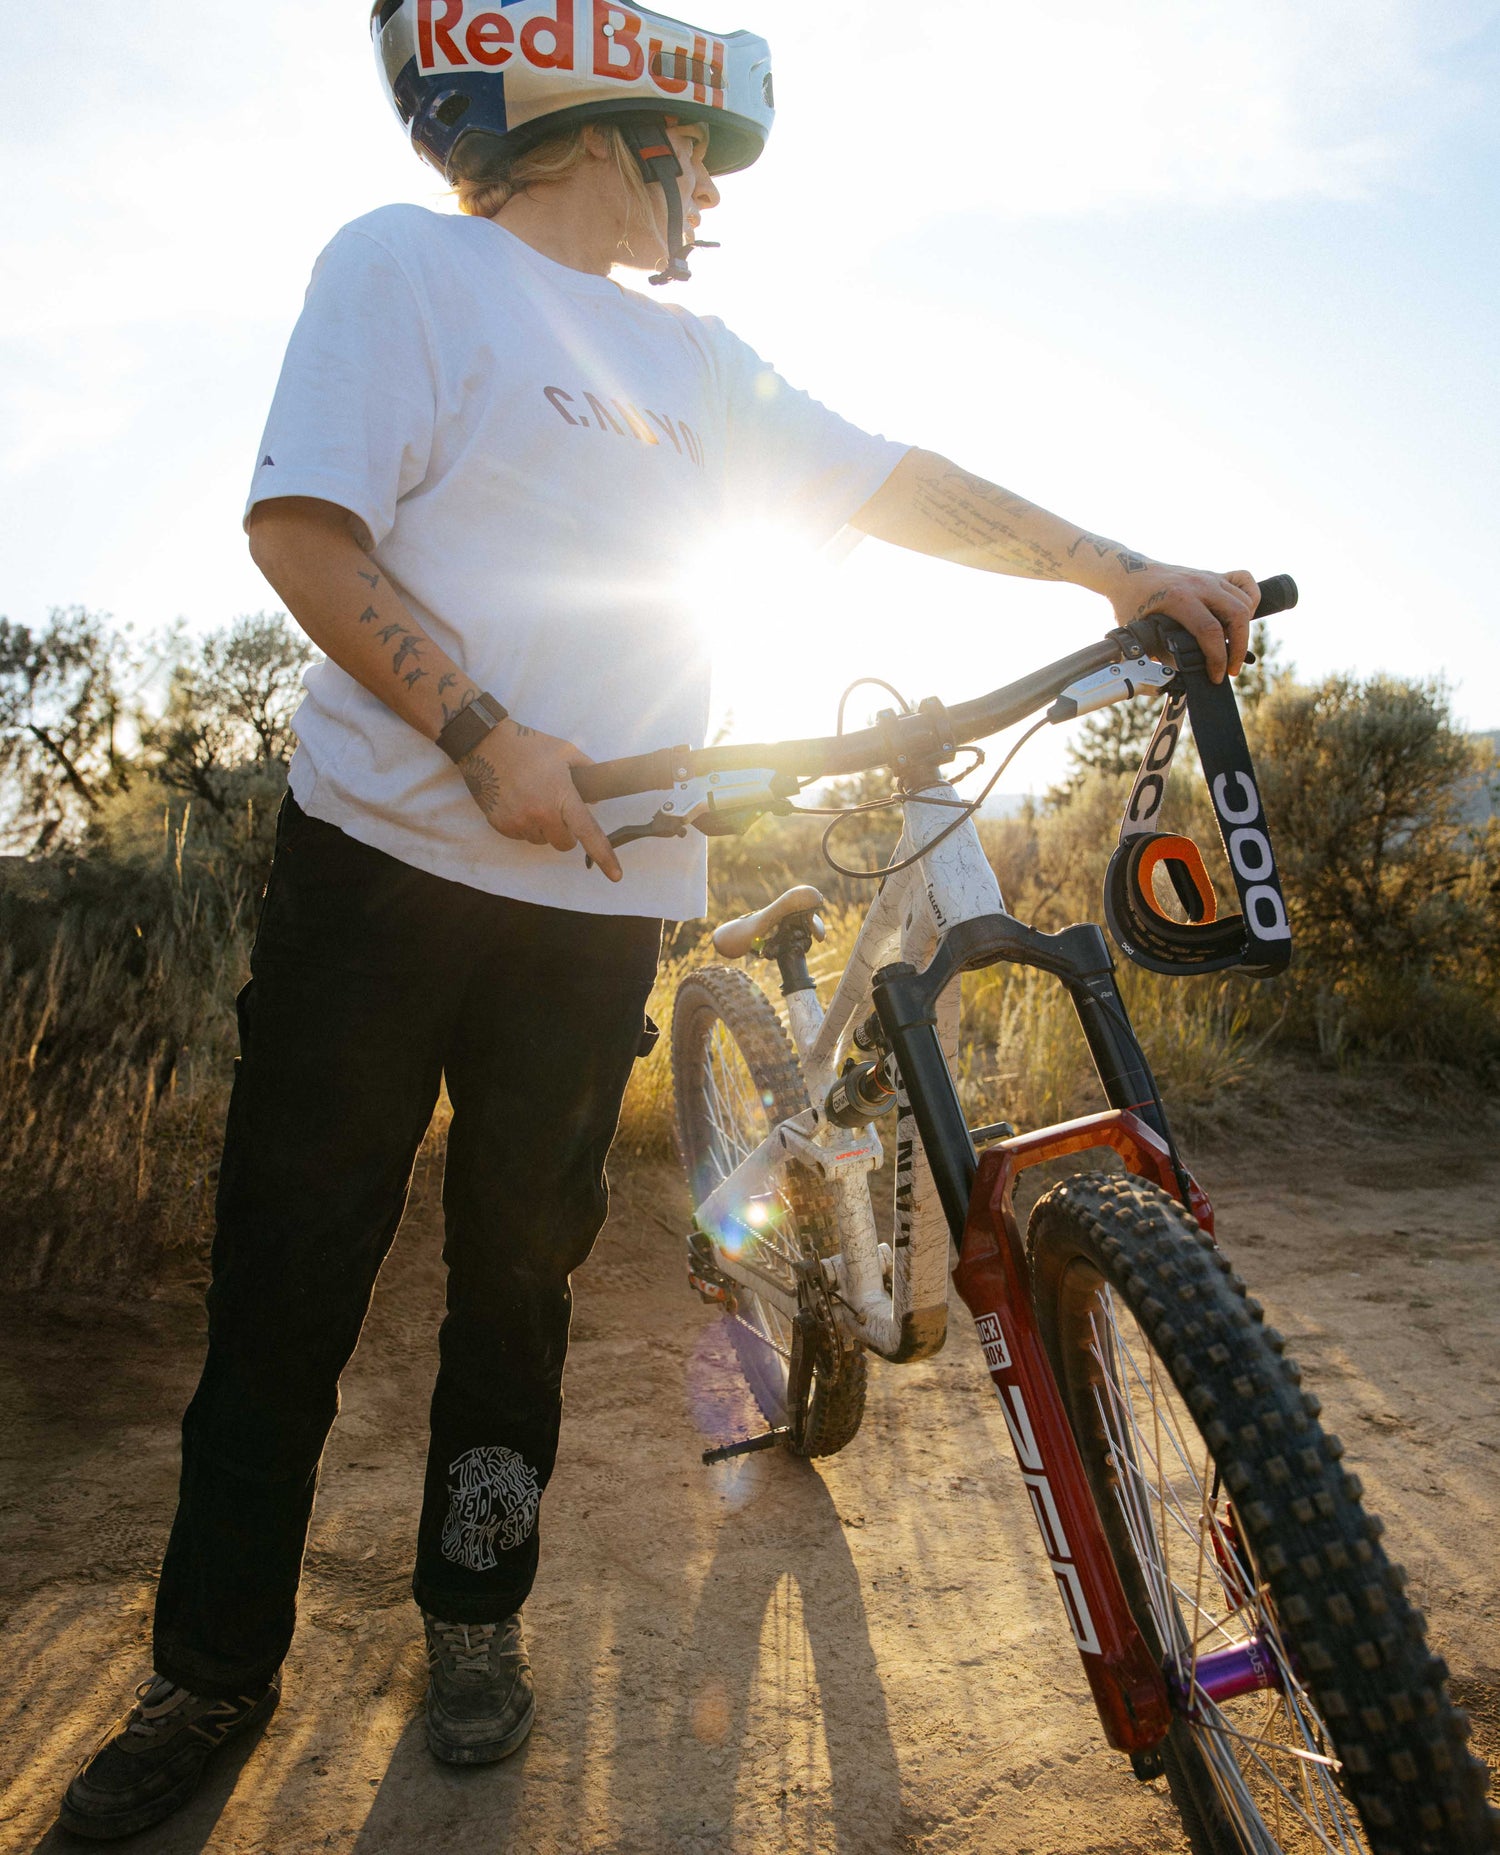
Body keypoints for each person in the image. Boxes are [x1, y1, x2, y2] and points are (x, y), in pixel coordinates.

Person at [61, 0, 1258, 1838]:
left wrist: (1122, 569)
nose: (700, 192)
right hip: (381, 874)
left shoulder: (703, 365)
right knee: (289, 1277)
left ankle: (476, 1615)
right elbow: (304, 531)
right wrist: (477, 734)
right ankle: (212, 1668)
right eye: (686, 156)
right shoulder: (408, 269)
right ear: (611, 130)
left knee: (520, 1283)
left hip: (598, 903)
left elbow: (901, 478)